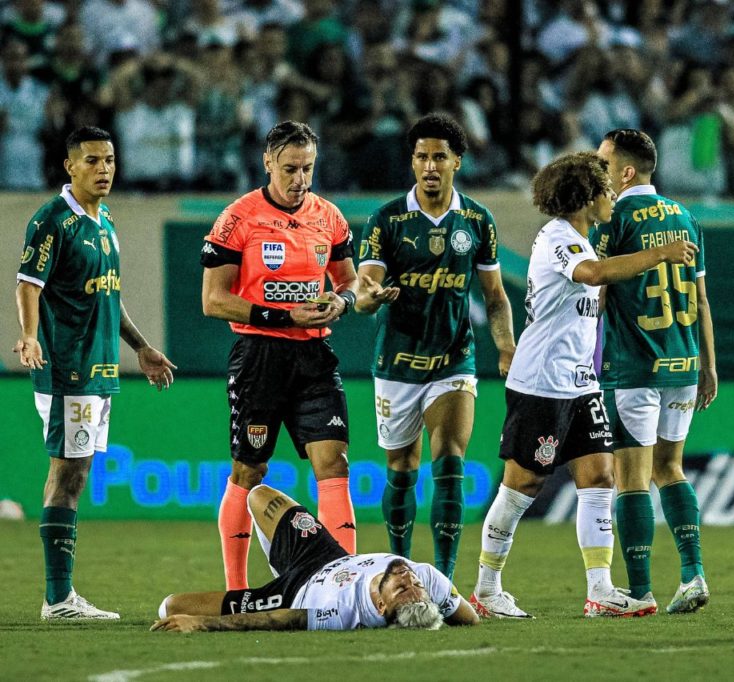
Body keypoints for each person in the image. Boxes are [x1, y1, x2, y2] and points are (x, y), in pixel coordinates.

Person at [470, 152, 698, 619]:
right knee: (522, 486)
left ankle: (600, 591)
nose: (611, 196)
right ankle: (486, 590)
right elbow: (593, 275)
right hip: (542, 383)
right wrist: (660, 254)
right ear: (585, 197)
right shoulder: (558, 239)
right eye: (604, 189)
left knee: (600, 478)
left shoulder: (581, 238)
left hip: (580, 383)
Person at [201, 120, 395, 591]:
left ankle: (343, 582)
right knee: (250, 469)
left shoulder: (329, 217)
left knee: (335, 463)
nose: (300, 179)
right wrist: (285, 316)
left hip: (314, 356)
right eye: (290, 168)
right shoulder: (237, 218)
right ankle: (237, 588)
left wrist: (344, 302)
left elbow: (350, 282)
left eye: (307, 168)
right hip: (259, 356)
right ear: (268, 163)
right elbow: (213, 299)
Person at [14, 126, 177, 620]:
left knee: (77, 472)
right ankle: (58, 598)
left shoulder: (104, 221)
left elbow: (109, 295)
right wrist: (29, 335)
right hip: (68, 366)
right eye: (92, 161)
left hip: (100, 368)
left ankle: (60, 596)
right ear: (70, 166)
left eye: (109, 160)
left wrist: (142, 347)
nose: (104, 169)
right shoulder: (52, 221)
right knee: (67, 472)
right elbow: (28, 283)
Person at [356, 112, 516, 579]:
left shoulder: (477, 221)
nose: (430, 165)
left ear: (457, 162)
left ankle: (443, 579)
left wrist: (506, 348)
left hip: (453, 358)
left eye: (439, 157)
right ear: (412, 162)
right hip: (397, 362)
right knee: (402, 466)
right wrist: (369, 299)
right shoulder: (386, 220)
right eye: (422, 156)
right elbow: (365, 289)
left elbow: (495, 297)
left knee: (449, 458)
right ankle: (402, 566)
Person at [590, 129, 717, 615]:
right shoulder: (685, 217)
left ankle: (640, 591)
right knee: (671, 469)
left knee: (632, 481)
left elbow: (598, 290)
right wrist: (708, 365)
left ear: (626, 171)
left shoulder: (614, 217)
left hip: (634, 365)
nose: (599, 172)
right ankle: (693, 574)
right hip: (683, 362)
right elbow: (702, 298)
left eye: (604, 164)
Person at [151, 484, 478, 632]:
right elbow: (467, 617)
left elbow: (281, 620)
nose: (408, 577)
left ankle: (275, 578)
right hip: (323, 554)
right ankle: (281, 560)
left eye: (403, 589)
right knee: (260, 495)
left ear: (381, 607)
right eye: (415, 583)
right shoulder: (428, 579)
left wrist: (201, 624)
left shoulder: (345, 613)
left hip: (292, 594)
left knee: (172, 606)